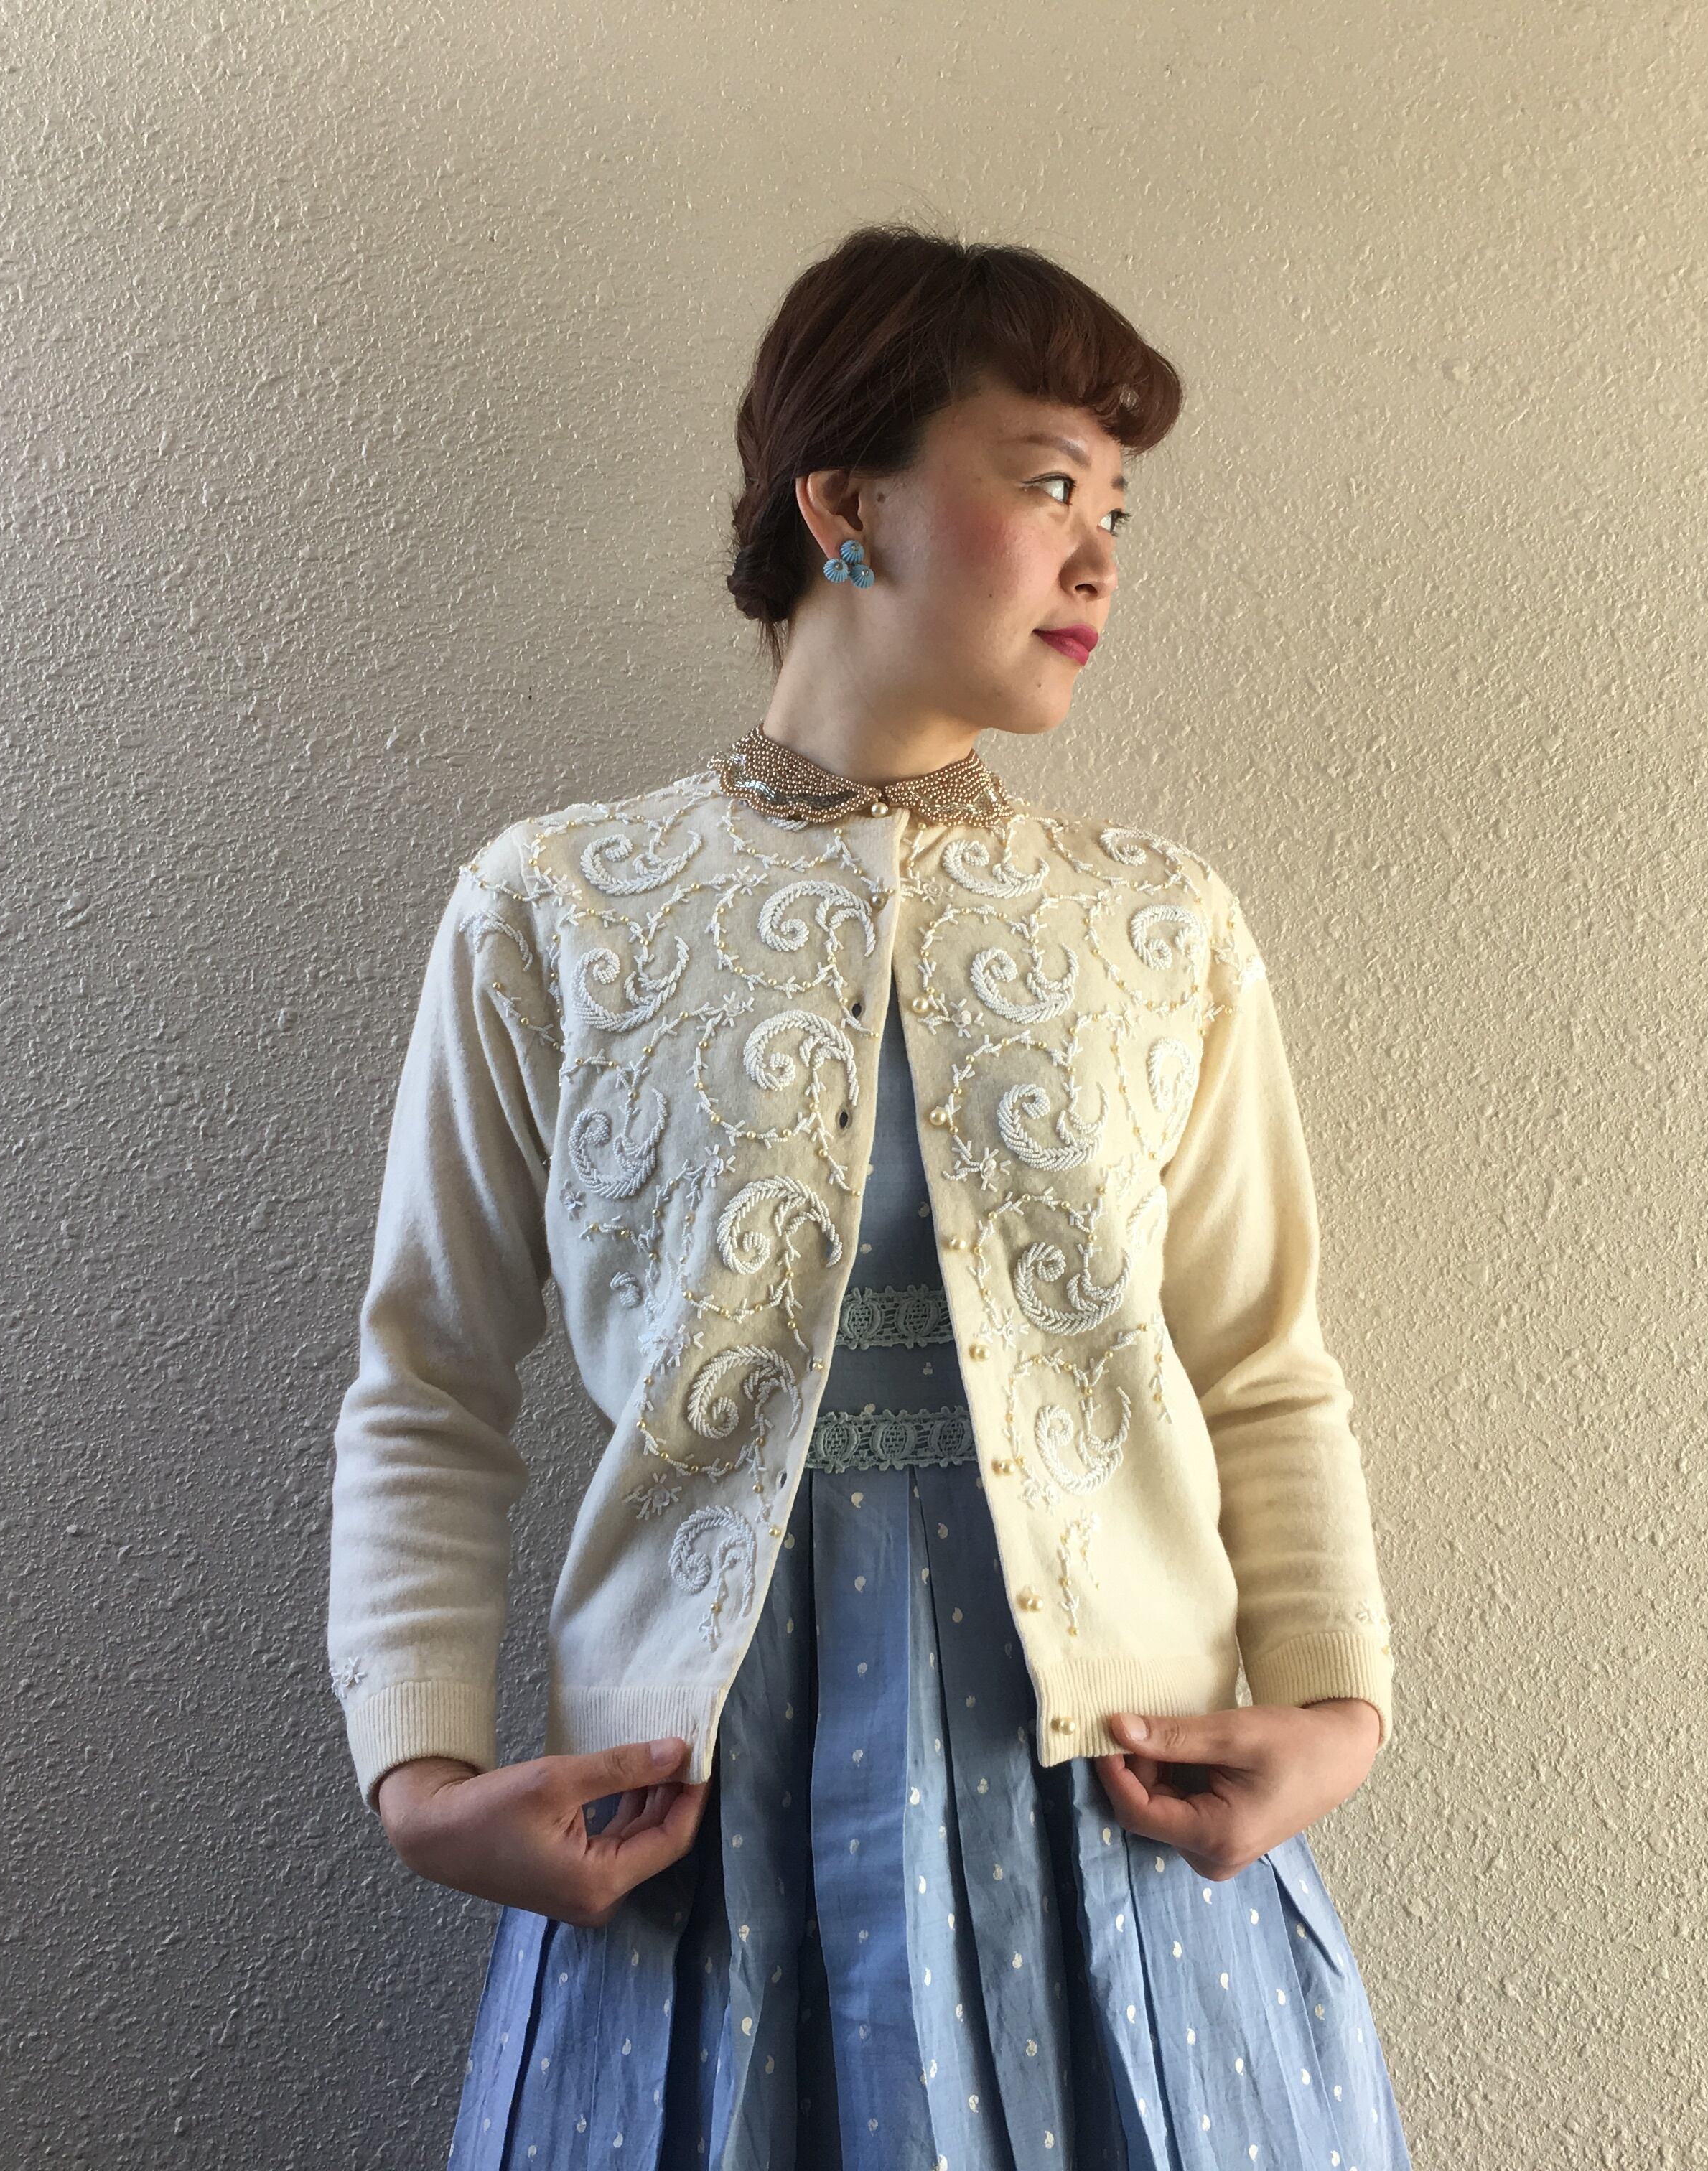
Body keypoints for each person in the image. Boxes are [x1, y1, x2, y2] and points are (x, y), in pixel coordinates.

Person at [328, 220, 1411, 2168]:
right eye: (1049, 483)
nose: (1100, 555)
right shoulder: (557, 912)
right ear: (846, 507)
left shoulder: (1159, 927)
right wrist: (421, 1770)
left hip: (1107, 1823)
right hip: (694, 1833)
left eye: (1119, 509)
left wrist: (1337, 1712)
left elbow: (1262, 1364)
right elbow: (428, 1379)